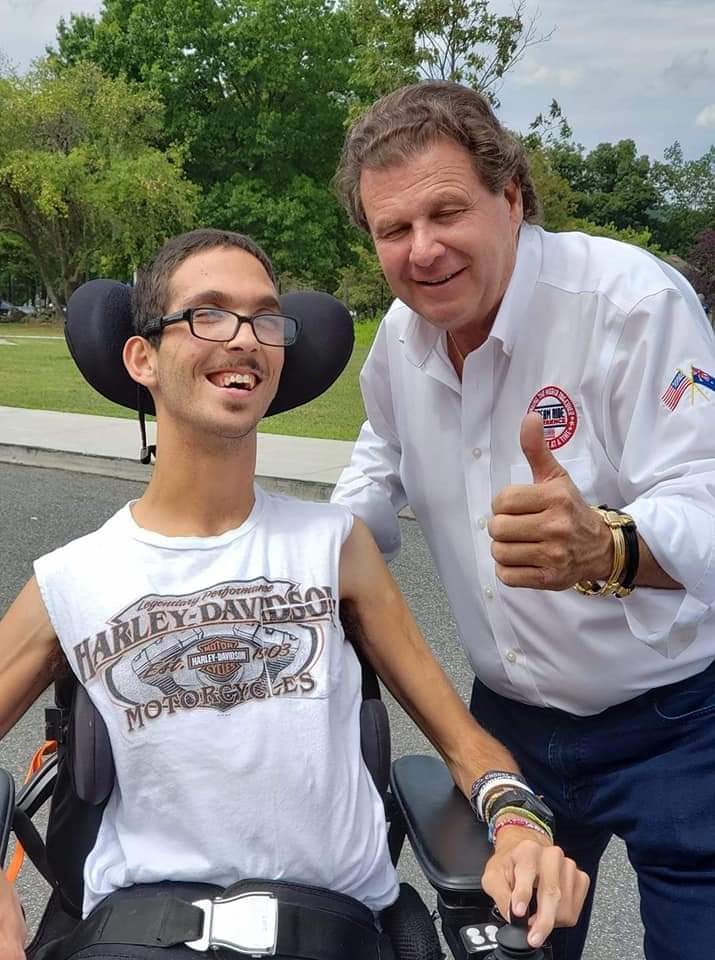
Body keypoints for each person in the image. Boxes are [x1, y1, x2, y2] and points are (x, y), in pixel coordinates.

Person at [0, 228, 588, 960]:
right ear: (141, 356)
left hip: (332, 931)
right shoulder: (72, 578)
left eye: (264, 318)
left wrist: (517, 825)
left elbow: (462, 743)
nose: (243, 339)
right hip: (140, 934)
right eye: (207, 314)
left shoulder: (334, 546)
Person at [331, 80, 715, 960]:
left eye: (445, 213)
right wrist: (314, 545)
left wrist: (608, 544)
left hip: (676, 724)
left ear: (510, 197)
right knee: (505, 952)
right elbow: (376, 459)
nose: (422, 251)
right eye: (393, 230)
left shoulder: (629, 302)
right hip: (507, 732)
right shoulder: (399, 337)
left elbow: (702, 498)